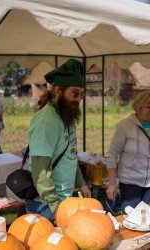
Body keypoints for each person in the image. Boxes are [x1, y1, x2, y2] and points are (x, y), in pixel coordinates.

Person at [25, 59, 91, 224]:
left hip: (64, 201)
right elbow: (40, 172)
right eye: (74, 93)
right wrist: (56, 207)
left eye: (82, 95)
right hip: (45, 205)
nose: (79, 99)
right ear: (58, 91)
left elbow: (70, 154)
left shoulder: (66, 116)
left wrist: (81, 184)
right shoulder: (46, 122)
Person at [106, 91, 150, 213]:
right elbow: (112, 156)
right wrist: (112, 183)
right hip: (130, 183)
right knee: (129, 218)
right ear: (138, 107)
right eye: (147, 107)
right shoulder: (125, 126)